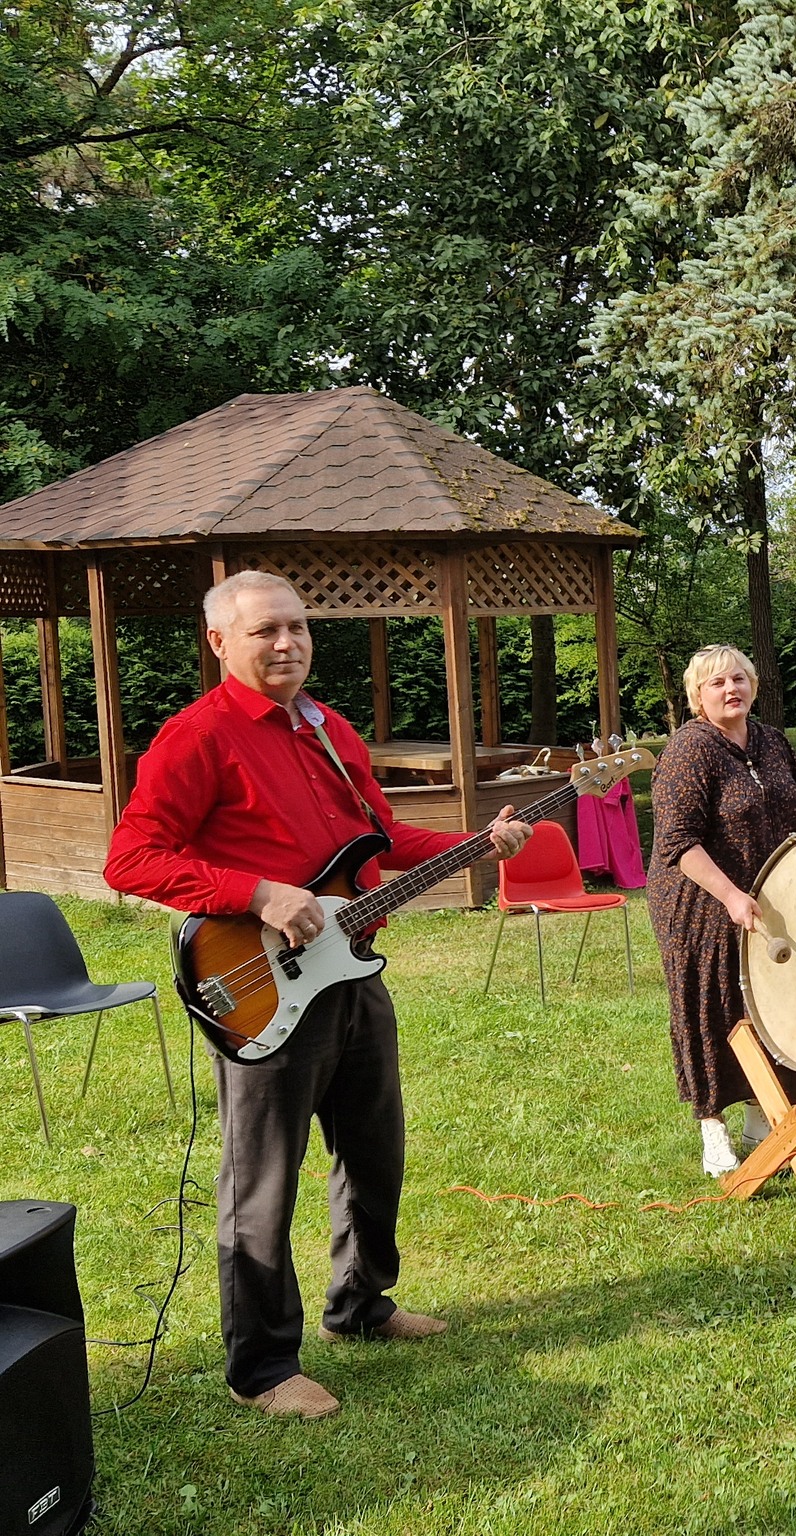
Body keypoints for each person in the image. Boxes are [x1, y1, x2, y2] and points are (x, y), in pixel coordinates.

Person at [104, 571, 533, 1421]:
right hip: (259, 985)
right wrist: (258, 894)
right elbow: (130, 856)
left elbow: (373, 839)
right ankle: (260, 1366)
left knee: (376, 1150)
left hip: (350, 972)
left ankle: (361, 1305)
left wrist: (475, 844)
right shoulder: (199, 736)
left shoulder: (329, 728)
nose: (286, 643)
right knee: (262, 1178)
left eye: (297, 627)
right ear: (221, 643)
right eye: (264, 631)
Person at [647, 644, 796, 1176]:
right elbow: (679, 843)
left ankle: (762, 1113)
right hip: (700, 900)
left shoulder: (772, 741)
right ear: (697, 697)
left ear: (754, 685)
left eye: (739, 679)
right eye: (717, 684)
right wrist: (730, 895)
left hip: (775, 891)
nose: (731, 690)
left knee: (778, 998)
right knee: (717, 1006)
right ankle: (712, 1128)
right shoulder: (689, 749)